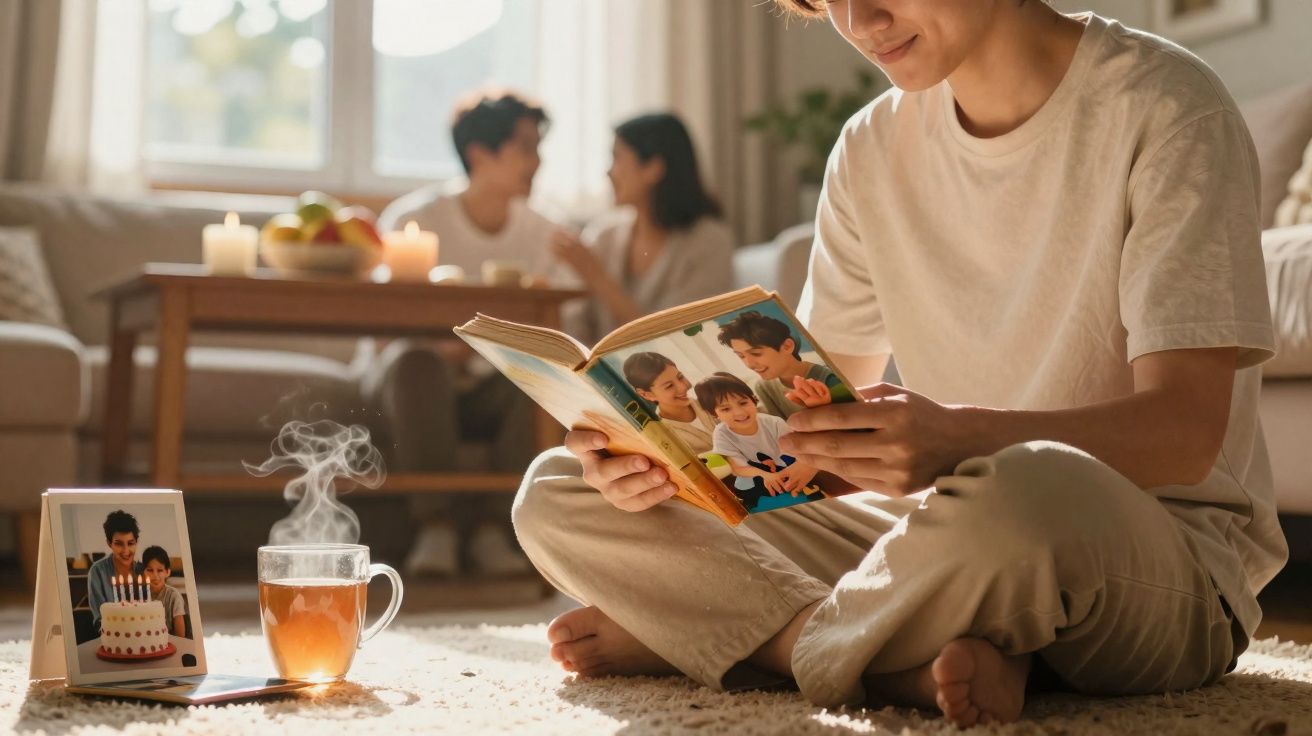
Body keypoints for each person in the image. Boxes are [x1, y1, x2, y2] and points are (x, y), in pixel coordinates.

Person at [511, 0, 1283, 729]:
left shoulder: (1168, 105)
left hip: (1143, 548)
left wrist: (959, 440)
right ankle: (885, 661)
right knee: (557, 492)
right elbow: (809, 444)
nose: (856, 22)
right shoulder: (869, 147)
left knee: (1026, 485)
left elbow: (1185, 434)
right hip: (936, 527)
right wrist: (656, 466)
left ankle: (747, 642)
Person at [374, 90, 566, 579]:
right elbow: (377, 331)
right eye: (526, 147)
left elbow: (557, 329)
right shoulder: (413, 220)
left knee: (543, 377)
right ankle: (435, 526)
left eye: (538, 146)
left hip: (492, 385)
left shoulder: (544, 232)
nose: (537, 160)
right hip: (413, 380)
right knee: (418, 364)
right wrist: (444, 348)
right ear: (481, 153)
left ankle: (490, 529)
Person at [551, 113, 736, 343]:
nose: (609, 172)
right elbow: (575, 323)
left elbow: (679, 342)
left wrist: (597, 278)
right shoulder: (603, 236)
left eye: (617, 159)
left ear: (653, 168)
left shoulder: (708, 242)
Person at [696, 372, 821, 511]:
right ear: (714, 414)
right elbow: (737, 468)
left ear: (753, 400)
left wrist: (785, 471)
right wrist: (765, 475)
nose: (739, 412)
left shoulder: (773, 422)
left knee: (804, 493)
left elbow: (796, 450)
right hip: (754, 476)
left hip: (785, 469)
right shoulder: (721, 433)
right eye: (726, 409)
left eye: (743, 403)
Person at [717, 311, 842, 418]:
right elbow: (781, 428)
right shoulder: (764, 387)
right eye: (741, 356)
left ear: (787, 346)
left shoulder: (831, 379)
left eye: (756, 353)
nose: (749, 364)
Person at [621, 352, 717, 454]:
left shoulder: (711, 402)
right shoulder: (664, 438)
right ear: (646, 395)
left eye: (680, 377)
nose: (683, 387)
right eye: (669, 386)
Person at [87, 510, 144, 632]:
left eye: (130, 543)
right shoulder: (97, 572)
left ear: (137, 542)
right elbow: (100, 620)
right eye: (119, 544)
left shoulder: (143, 571)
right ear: (109, 543)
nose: (126, 551)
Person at [142, 545, 186, 638]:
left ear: (167, 572)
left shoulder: (173, 596)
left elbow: (180, 636)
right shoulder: (140, 594)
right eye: (150, 570)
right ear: (144, 572)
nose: (155, 575)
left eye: (160, 570)